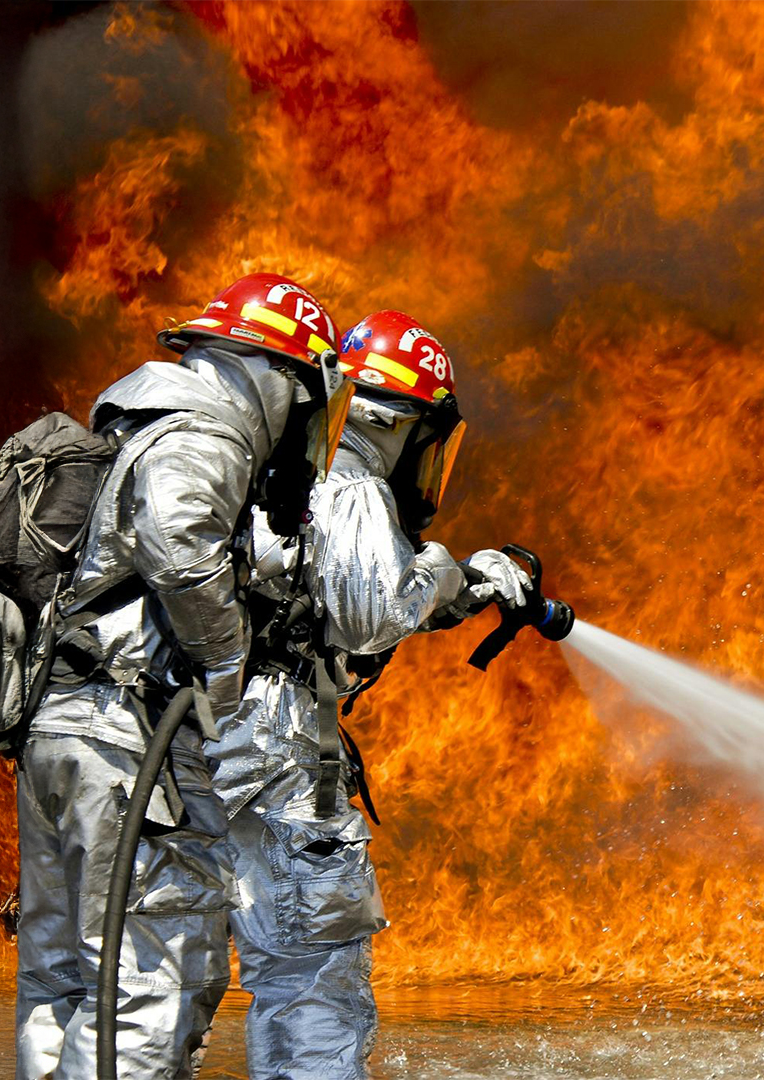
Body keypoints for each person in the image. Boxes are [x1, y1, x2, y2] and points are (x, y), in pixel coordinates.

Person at [13, 273, 351, 1080]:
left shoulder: (137, 424)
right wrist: (226, 665)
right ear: (274, 375)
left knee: (65, 982)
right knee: (154, 983)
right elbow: (178, 543)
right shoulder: (206, 430)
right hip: (127, 738)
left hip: (63, 727)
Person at [206, 310, 530, 1080]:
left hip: (197, 734)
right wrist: (450, 568)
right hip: (275, 747)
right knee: (313, 972)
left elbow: (320, 593)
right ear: (407, 424)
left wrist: (463, 587)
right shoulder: (349, 480)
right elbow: (372, 612)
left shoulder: (271, 466)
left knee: (172, 969)